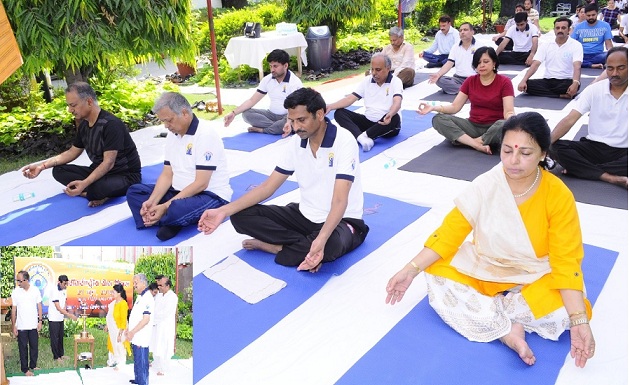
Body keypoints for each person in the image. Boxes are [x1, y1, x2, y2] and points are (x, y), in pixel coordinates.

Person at [385, 112, 596, 368]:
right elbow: (452, 230)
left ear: (543, 154)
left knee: (567, 311)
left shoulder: (558, 195)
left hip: (536, 271)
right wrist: (410, 270)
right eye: (507, 151)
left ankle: (492, 316)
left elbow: (566, 260)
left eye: (525, 153)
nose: (513, 161)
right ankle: (510, 328)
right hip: (487, 266)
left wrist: (579, 321)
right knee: (436, 273)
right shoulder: (487, 184)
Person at [198, 87, 369, 273]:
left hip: (342, 220)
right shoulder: (296, 142)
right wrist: (223, 211)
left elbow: (340, 200)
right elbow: (267, 187)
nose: (296, 127)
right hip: (305, 215)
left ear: (319, 114)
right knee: (240, 216)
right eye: (292, 121)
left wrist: (320, 240)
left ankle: (277, 247)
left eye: (301, 120)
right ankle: (303, 247)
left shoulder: (344, 141)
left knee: (331, 244)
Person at [126, 92, 232, 241]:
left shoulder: (205, 135)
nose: (166, 126)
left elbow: (201, 183)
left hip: (208, 194)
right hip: (177, 191)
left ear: (184, 113)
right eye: (163, 121)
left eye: (168, 120)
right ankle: (168, 220)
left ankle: (165, 218)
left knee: (177, 208)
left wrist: (165, 207)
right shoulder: (172, 134)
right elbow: (167, 174)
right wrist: (153, 201)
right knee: (134, 192)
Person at [20, 82, 142, 207]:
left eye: (73, 105)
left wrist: (84, 183)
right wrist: (42, 166)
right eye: (68, 106)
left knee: (98, 188)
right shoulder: (84, 125)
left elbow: (108, 163)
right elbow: (72, 152)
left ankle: (91, 192)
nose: (70, 110)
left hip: (124, 176)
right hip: (98, 171)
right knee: (59, 170)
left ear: (89, 102)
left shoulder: (111, 124)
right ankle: (91, 191)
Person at [550, 46, 628, 188]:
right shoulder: (594, 90)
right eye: (610, 68)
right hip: (593, 147)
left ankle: (582, 169)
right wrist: (544, 145)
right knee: (555, 146)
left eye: (621, 68)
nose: (614, 73)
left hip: (624, 151)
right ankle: (610, 177)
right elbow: (570, 119)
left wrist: (576, 165)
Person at [419, 46, 515, 154]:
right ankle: (476, 144)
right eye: (478, 63)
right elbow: (455, 107)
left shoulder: (504, 82)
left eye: (486, 61)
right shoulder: (470, 81)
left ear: (494, 63)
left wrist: (512, 119)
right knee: (438, 119)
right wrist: (433, 107)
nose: (481, 65)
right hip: (473, 126)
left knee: (505, 124)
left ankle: (469, 141)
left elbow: (508, 112)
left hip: (495, 127)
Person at [328, 53, 403, 152]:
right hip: (368, 122)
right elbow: (350, 99)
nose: (374, 73)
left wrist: (390, 113)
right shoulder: (366, 81)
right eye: (372, 69)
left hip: (386, 122)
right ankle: (362, 138)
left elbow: (397, 102)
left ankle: (363, 136)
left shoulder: (396, 81)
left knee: (395, 117)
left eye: (378, 70)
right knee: (339, 113)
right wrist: (330, 106)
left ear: (388, 68)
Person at [223, 49, 303, 135]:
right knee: (246, 114)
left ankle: (263, 130)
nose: (272, 69)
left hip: (288, 116)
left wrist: (288, 121)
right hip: (270, 115)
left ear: (285, 66)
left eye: (275, 66)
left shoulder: (294, 82)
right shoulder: (267, 80)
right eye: (270, 66)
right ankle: (277, 128)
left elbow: (296, 108)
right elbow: (252, 100)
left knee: (291, 121)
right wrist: (234, 113)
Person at [518, 17, 583, 99]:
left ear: (569, 30)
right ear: (554, 30)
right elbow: (535, 64)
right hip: (548, 80)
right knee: (527, 85)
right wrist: (524, 80)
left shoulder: (576, 45)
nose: (560, 30)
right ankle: (559, 95)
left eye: (563, 28)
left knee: (573, 86)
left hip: (566, 81)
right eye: (557, 28)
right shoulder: (546, 45)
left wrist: (576, 82)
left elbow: (577, 66)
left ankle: (553, 93)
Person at [428, 23, 479, 95]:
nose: (462, 32)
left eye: (465, 30)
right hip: (458, 79)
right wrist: (438, 74)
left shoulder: (480, 46)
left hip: (474, 78)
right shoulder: (455, 47)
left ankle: (461, 90)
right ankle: (467, 91)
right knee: (440, 80)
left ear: (472, 32)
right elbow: (449, 63)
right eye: (460, 30)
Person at [10, 271, 42, 377]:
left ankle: (33, 365)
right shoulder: (15, 292)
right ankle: (25, 369)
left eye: (20, 281)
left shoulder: (35, 290)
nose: (18, 283)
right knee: (23, 348)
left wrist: (40, 321)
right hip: (21, 326)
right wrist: (13, 325)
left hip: (33, 325)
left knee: (34, 346)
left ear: (26, 280)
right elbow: (13, 310)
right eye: (17, 280)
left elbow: (39, 306)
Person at [126, 274, 154, 385]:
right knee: (137, 359)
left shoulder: (148, 297)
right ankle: (138, 379)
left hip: (141, 336)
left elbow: (146, 319)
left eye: (136, 283)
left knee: (142, 361)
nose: (134, 285)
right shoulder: (140, 297)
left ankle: (143, 382)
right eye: (133, 283)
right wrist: (129, 329)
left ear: (143, 283)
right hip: (135, 335)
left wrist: (132, 332)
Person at [571, 3, 613, 68]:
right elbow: (572, 42)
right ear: (585, 15)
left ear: (597, 14)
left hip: (598, 55)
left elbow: (608, 44)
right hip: (582, 54)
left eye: (593, 15)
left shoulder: (605, 26)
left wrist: (611, 54)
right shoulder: (578, 27)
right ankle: (592, 65)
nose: (591, 17)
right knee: (569, 56)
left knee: (612, 55)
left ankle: (586, 64)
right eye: (588, 15)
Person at [48, 275, 78, 362]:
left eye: (67, 283)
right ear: (59, 282)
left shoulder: (65, 290)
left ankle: (61, 354)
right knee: (55, 338)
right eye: (64, 283)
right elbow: (58, 308)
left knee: (60, 337)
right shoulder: (54, 290)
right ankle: (56, 357)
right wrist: (70, 315)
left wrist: (65, 308)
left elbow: (64, 302)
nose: (66, 285)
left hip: (60, 318)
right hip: (54, 318)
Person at [152, 277, 178, 376]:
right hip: (156, 325)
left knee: (164, 346)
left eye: (161, 285)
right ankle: (156, 363)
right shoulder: (158, 296)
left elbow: (165, 313)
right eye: (158, 285)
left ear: (167, 286)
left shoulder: (172, 297)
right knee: (156, 344)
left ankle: (163, 368)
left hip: (165, 326)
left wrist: (152, 319)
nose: (158, 287)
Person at [104, 283, 131, 370]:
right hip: (112, 329)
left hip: (120, 329)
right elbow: (109, 316)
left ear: (119, 293)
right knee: (112, 344)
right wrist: (107, 325)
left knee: (119, 345)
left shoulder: (123, 304)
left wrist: (120, 334)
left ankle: (121, 363)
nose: (112, 293)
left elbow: (123, 320)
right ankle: (113, 360)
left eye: (113, 292)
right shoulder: (113, 303)